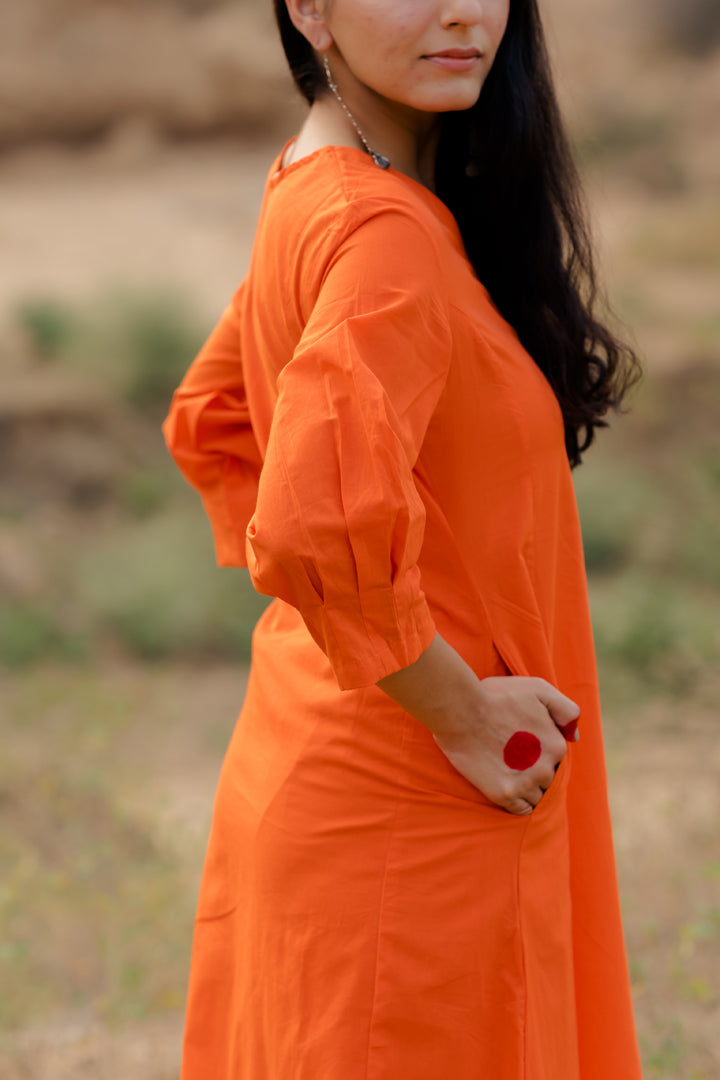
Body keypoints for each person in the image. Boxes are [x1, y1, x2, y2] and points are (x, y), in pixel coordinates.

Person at [162, 0, 644, 1076]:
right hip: (420, 808)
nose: (461, 10)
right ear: (309, 8)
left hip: (334, 770)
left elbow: (217, 415)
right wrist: (456, 704)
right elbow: (313, 513)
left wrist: (332, 625)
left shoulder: (314, 190)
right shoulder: (383, 236)